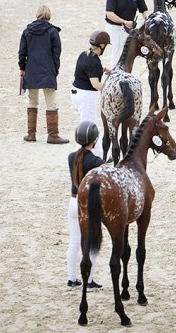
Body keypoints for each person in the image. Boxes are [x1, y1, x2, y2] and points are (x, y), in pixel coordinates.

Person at [18, 4, 69, 144]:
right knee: (51, 102)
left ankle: (31, 134)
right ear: (49, 16)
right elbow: (56, 54)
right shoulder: (53, 32)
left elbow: (22, 53)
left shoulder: (27, 31)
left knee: (32, 101)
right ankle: (52, 135)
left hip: (31, 70)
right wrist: (55, 70)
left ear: (37, 15)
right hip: (48, 70)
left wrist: (22, 68)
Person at [67, 121, 106, 290]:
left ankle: (71, 279)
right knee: (91, 243)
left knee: (74, 243)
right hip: (88, 205)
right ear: (94, 140)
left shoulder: (71, 157)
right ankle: (89, 281)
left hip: (73, 202)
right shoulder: (97, 161)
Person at [70, 30, 110, 158]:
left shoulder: (84, 54)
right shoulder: (94, 61)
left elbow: (88, 72)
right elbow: (96, 84)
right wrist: (109, 88)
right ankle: (80, 155)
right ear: (102, 46)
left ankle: (98, 154)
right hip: (86, 96)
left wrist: (102, 70)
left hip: (78, 92)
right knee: (89, 127)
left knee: (90, 125)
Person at [105, 0, 148, 68]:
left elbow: (144, 10)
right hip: (115, 28)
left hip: (129, 29)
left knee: (129, 55)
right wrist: (124, 21)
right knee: (117, 54)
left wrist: (148, 20)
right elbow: (109, 14)